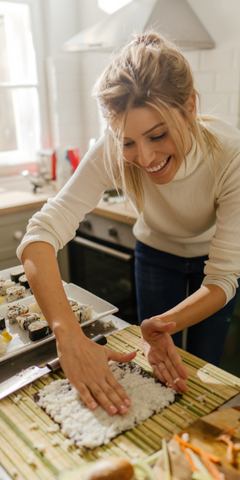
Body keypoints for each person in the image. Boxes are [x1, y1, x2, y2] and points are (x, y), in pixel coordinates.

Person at [17, 31, 240, 417]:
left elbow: (222, 280)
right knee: (154, 368)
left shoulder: (230, 154)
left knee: (203, 369)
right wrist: (67, 335)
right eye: (127, 142)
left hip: (211, 267)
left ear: (190, 107)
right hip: (154, 254)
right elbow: (40, 233)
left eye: (158, 135)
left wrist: (166, 323)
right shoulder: (109, 150)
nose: (146, 157)